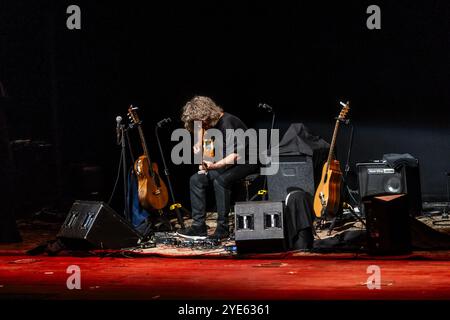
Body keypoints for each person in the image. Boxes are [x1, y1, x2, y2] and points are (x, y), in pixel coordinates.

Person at [177, 96, 258, 240]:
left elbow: (234, 157)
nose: (200, 127)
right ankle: (198, 226)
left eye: (201, 123)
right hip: (225, 162)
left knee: (221, 181)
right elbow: (209, 154)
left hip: (245, 161)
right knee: (196, 179)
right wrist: (203, 159)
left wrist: (213, 166)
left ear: (207, 115)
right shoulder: (209, 128)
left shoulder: (228, 123)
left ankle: (223, 228)